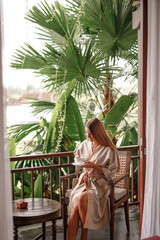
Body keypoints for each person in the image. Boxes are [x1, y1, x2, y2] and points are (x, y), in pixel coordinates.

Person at [67, 117, 120, 240]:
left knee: (80, 199)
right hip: (84, 181)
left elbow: (111, 174)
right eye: (86, 133)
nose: (87, 137)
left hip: (99, 184)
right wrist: (78, 159)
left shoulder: (109, 150)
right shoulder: (85, 144)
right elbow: (78, 159)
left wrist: (95, 167)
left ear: (97, 133)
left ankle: (84, 234)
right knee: (75, 206)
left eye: (90, 134)